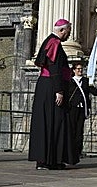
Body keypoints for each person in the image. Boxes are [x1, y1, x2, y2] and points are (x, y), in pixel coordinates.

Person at [28, 19, 78, 170]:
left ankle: (48, 160)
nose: (68, 35)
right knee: (53, 122)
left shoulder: (49, 41)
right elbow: (54, 68)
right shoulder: (54, 43)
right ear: (62, 30)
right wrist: (59, 91)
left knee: (48, 122)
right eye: (68, 32)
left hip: (46, 86)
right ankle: (48, 160)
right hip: (51, 87)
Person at [67, 62, 97, 159]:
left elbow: (94, 91)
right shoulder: (70, 81)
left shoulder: (86, 81)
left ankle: (78, 151)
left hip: (82, 109)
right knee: (71, 131)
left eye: (81, 69)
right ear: (74, 70)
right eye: (78, 69)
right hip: (72, 109)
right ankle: (70, 151)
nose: (80, 71)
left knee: (79, 131)